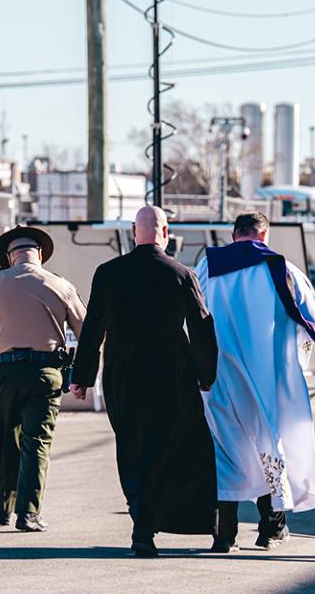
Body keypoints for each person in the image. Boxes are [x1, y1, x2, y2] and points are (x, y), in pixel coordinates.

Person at [70, 205, 219, 558]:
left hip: (123, 373)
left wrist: (82, 377)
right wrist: (206, 373)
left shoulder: (108, 273)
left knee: (131, 446)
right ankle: (182, 521)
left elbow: (92, 328)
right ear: (165, 233)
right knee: (175, 446)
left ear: (135, 232)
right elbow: (201, 327)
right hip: (171, 373)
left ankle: (142, 523)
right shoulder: (181, 273)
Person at [196, 212, 315, 553]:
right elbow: (310, 320)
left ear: (233, 235)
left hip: (221, 375)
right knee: (269, 447)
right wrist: (294, 362)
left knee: (225, 452)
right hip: (268, 377)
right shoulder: (283, 269)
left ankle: (223, 536)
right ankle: (270, 529)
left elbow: (193, 315)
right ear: (264, 234)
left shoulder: (208, 267)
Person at [0, 225, 86, 533]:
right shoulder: (61, 286)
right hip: (45, 373)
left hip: (2, 373)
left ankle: (1, 509)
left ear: (9, 257)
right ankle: (28, 512)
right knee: (37, 442)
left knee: (3, 441)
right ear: (40, 256)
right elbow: (86, 331)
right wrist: (83, 377)